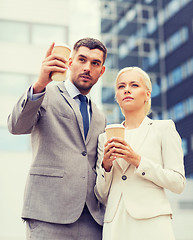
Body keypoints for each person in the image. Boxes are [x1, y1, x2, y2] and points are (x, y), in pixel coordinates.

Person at [8, 37, 107, 240]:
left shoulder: (100, 115)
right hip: (48, 213)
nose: (87, 67)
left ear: (101, 71)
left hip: (91, 219)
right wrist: (40, 83)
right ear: (70, 62)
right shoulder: (45, 94)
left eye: (95, 63)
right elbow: (16, 126)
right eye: (82, 59)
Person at [94, 66, 186, 240]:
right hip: (115, 224)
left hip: (152, 222)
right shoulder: (104, 137)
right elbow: (101, 194)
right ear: (117, 97)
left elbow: (178, 183)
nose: (126, 89)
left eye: (134, 85)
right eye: (121, 87)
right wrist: (106, 166)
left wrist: (137, 160)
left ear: (148, 94)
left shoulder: (164, 129)